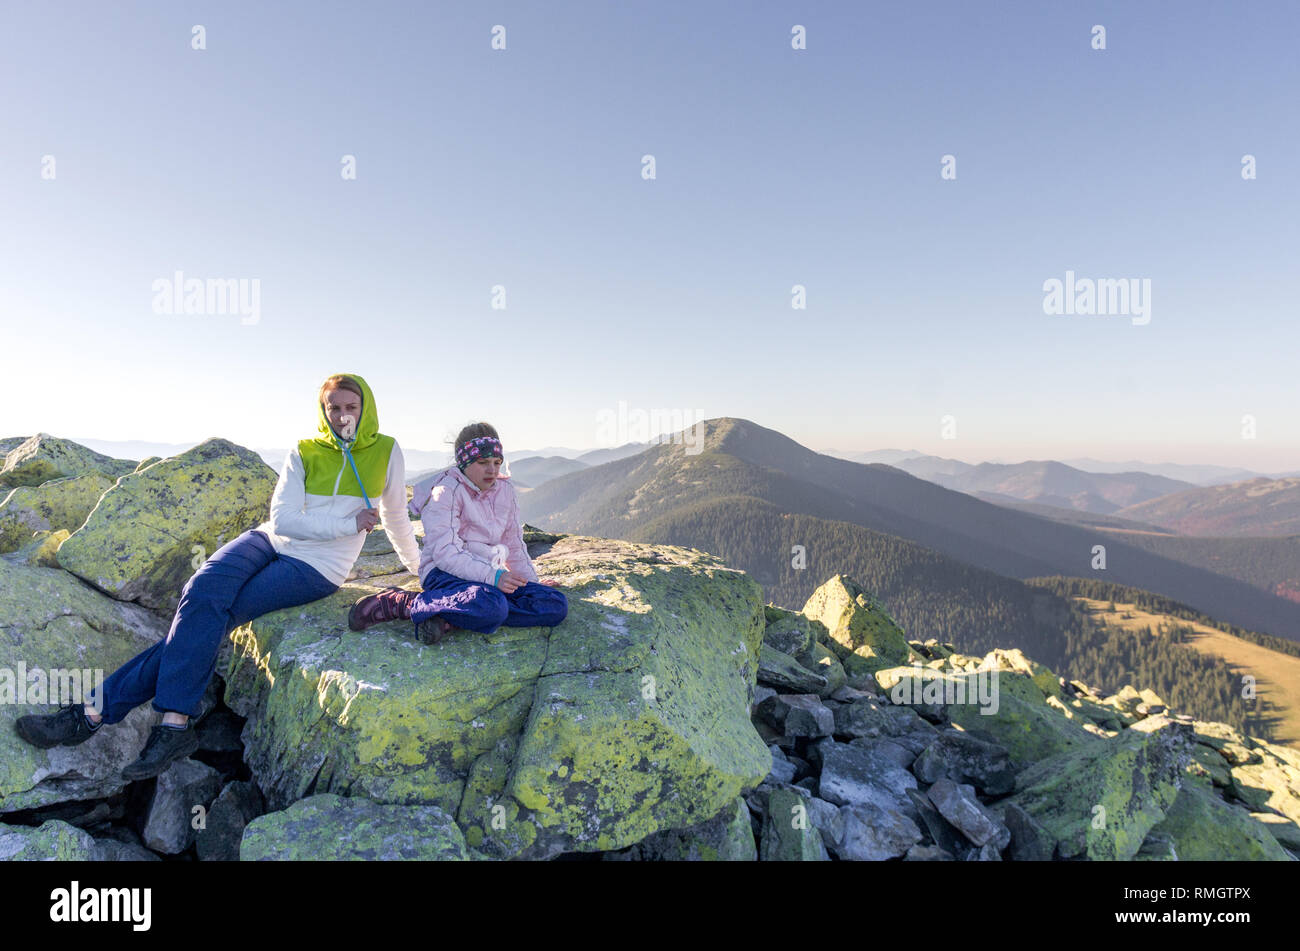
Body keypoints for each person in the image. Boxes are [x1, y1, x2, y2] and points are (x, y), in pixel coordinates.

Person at [13, 373, 421, 780]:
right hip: (270, 539)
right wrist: (346, 522)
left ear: (365, 408)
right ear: (323, 410)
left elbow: (397, 517)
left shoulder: (386, 451)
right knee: (201, 592)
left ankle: (96, 714)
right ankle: (166, 726)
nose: (342, 415)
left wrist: (421, 571)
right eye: (334, 407)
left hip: (317, 567)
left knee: (215, 618)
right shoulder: (304, 449)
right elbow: (283, 520)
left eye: (351, 407)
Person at [347, 422, 567, 643]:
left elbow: (514, 544)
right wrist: (494, 577)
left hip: (487, 575)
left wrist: (530, 584)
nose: (492, 470)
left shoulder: (505, 492)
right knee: (493, 606)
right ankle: (405, 603)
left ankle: (449, 617)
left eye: (497, 462)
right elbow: (446, 554)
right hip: (444, 573)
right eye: (483, 463)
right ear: (464, 462)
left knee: (554, 603)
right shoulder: (446, 492)